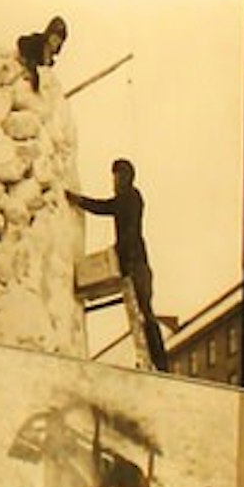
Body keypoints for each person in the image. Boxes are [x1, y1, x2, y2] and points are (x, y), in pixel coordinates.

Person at [70, 157, 169, 370]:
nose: (114, 181)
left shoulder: (130, 197)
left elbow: (106, 208)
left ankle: (160, 363)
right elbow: (107, 207)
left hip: (137, 264)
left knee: (145, 313)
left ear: (126, 177)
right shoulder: (128, 198)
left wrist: (79, 201)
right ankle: (160, 362)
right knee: (145, 312)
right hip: (135, 263)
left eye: (117, 176)